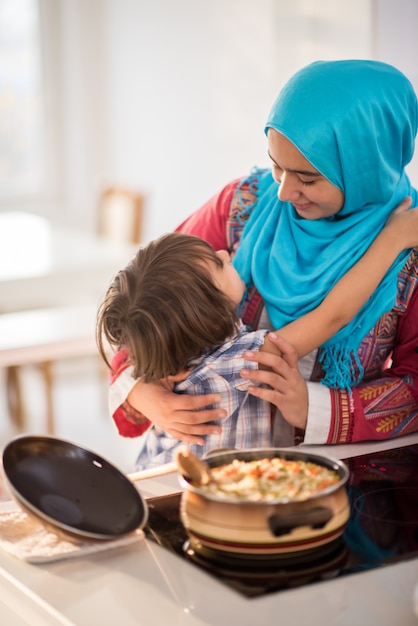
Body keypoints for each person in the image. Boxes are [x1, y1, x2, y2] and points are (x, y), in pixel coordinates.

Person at [107, 59, 418, 460]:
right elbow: (147, 302)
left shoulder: (410, 245)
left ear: (365, 164)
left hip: (338, 477)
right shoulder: (244, 202)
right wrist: (141, 390)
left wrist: (313, 408)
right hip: (221, 486)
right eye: (276, 165)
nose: (285, 193)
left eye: (307, 178)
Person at [99, 204, 417, 467]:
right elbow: (333, 315)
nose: (225, 253)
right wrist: (393, 240)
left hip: (160, 479)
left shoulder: (165, 356)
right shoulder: (242, 360)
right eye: (217, 265)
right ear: (211, 310)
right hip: (197, 495)